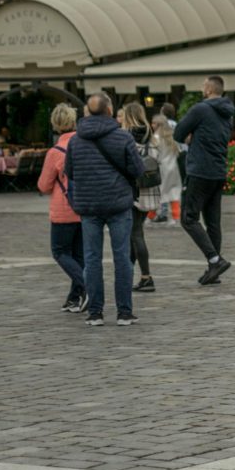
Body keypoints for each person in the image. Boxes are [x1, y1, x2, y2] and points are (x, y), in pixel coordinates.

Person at [65, 92, 142, 326]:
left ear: (87, 112)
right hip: (118, 203)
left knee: (91, 259)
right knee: (122, 257)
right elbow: (137, 170)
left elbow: (70, 172)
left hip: (88, 205)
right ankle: (124, 312)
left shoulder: (76, 140)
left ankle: (95, 312)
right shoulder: (122, 138)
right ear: (109, 110)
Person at [174, 75, 235, 285]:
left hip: (200, 170)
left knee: (188, 218)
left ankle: (215, 260)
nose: (202, 89)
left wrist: (191, 137)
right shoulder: (228, 113)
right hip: (218, 171)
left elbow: (178, 133)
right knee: (213, 222)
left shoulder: (200, 109)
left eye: (203, 86)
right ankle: (213, 268)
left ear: (209, 89)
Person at [36, 104, 85, 313]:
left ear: (56, 125)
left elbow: (44, 185)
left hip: (64, 209)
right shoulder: (84, 145)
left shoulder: (56, 152)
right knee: (79, 255)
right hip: (85, 206)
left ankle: (87, 285)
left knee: (60, 252)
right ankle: (75, 297)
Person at [118, 102, 158, 292]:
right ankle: (131, 273)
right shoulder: (152, 136)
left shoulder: (126, 137)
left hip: (132, 191)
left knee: (135, 235)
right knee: (135, 233)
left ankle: (146, 276)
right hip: (149, 190)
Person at [148, 114, 182, 230]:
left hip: (161, 168)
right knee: (174, 192)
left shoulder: (155, 138)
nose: (152, 125)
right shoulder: (171, 137)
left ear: (158, 125)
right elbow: (179, 152)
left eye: (153, 123)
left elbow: (152, 155)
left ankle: (150, 216)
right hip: (173, 167)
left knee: (158, 193)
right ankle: (176, 217)